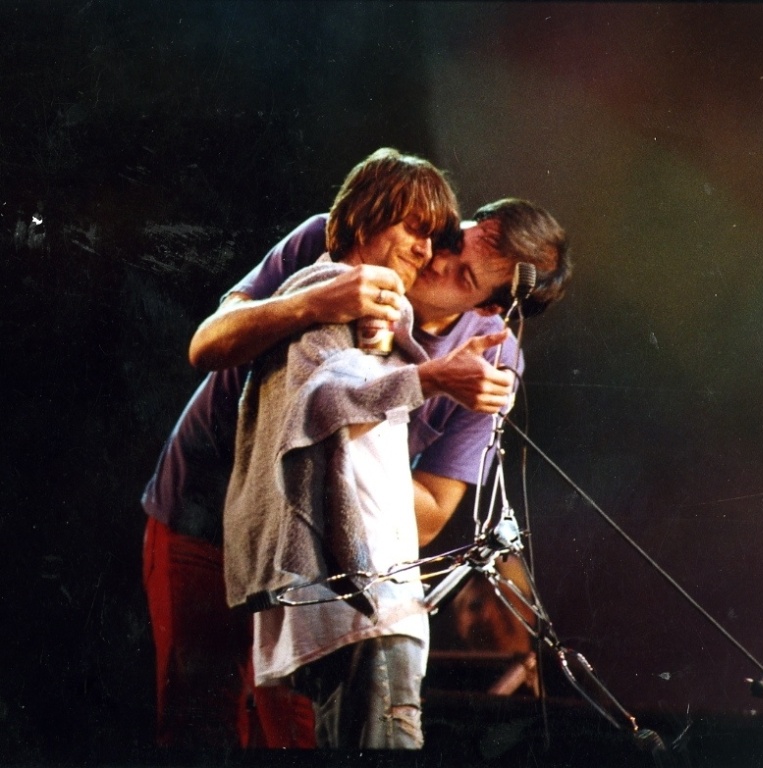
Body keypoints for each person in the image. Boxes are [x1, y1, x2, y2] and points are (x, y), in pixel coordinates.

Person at [140, 148, 571, 749]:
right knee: (197, 723)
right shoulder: (339, 237)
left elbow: (428, 515)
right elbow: (207, 344)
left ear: (492, 309)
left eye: (463, 274)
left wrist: (384, 417)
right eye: (451, 239)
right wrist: (317, 303)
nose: (431, 256)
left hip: (309, 553)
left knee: (293, 733)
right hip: (204, 510)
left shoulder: (492, 356)